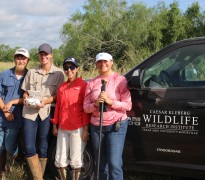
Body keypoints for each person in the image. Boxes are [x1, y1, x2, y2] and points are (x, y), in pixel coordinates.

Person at [83, 52, 132, 180]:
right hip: (96, 126)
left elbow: (128, 105)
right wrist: (95, 104)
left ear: (111, 62)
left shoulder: (120, 80)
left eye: (105, 61)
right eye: (99, 62)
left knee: (114, 164)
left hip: (116, 125)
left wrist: (110, 102)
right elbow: (85, 107)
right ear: (96, 65)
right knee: (100, 163)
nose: (102, 64)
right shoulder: (92, 83)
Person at [21, 43, 65, 180]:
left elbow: (59, 95)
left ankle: (37, 176)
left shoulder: (59, 73)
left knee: (43, 147)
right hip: (29, 112)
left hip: (46, 112)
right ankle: (39, 178)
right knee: (28, 147)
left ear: (51, 55)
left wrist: (45, 102)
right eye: (41, 54)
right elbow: (25, 92)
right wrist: (26, 98)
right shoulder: (31, 72)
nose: (43, 56)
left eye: (46, 54)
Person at [51, 57, 90, 180]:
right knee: (60, 158)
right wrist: (54, 125)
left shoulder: (83, 85)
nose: (69, 70)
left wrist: (85, 129)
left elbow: (86, 109)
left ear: (77, 68)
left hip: (77, 127)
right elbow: (58, 107)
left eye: (72, 67)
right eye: (66, 68)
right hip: (63, 127)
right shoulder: (62, 86)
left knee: (76, 159)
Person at [0, 48, 30, 179]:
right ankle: (2, 172)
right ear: (14, 59)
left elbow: (26, 99)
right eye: (18, 57)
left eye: (23, 58)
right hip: (1, 118)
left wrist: (11, 102)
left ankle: (12, 165)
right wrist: (5, 110)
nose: (20, 60)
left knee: (9, 147)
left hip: (16, 120)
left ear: (27, 61)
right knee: (0, 147)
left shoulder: (30, 76)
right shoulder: (4, 74)